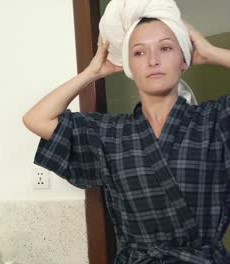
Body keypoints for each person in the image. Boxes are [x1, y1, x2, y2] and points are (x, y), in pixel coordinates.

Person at [22, 17, 230, 264]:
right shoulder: (110, 133)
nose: (153, 60)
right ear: (129, 66)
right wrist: (92, 73)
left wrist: (212, 53)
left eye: (165, 48)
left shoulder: (215, 120)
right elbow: (37, 118)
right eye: (139, 52)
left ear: (183, 59)